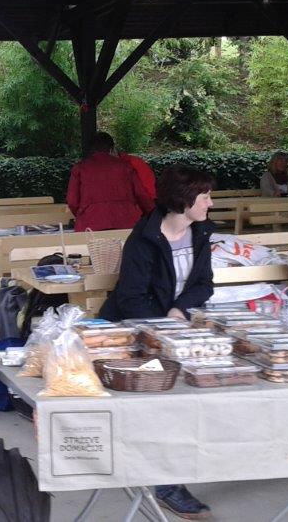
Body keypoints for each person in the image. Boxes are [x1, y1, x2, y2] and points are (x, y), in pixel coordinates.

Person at [99, 165, 215, 519]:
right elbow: (131, 299)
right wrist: (165, 327)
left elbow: (204, 284)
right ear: (184, 199)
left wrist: (179, 310)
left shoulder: (200, 232)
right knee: (168, 401)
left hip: (174, 329)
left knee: (202, 388)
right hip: (135, 334)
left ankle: (180, 469)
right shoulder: (144, 239)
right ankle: (167, 485)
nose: (210, 203)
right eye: (205, 195)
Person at [66, 132, 154, 232]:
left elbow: (72, 201)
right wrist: (152, 214)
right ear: (111, 149)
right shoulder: (126, 166)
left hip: (90, 224)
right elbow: (141, 195)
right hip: (126, 221)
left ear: (91, 150)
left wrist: (84, 213)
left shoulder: (80, 168)